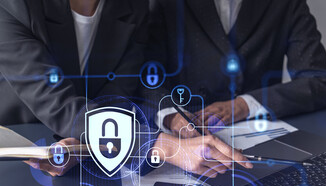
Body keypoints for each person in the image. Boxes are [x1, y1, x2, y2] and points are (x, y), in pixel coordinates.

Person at [0, 0, 252, 176]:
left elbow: (119, 90)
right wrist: (162, 145)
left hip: (91, 147)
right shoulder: (15, 5)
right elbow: (55, 102)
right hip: (21, 149)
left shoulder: (134, 6)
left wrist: (85, 144)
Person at [149, 0, 326, 136]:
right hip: (184, 138)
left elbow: (321, 81)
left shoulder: (286, 3)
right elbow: (146, 79)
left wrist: (245, 105)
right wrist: (171, 116)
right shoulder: (166, 3)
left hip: (261, 135)